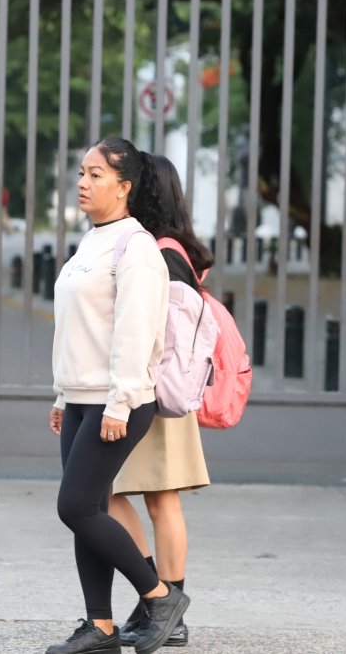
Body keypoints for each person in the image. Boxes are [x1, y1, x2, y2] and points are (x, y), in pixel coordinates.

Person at [47, 138, 188, 654]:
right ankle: (101, 627)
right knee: (93, 506)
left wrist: (121, 402)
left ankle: (158, 596)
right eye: (82, 173)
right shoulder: (92, 242)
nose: (83, 183)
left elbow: (136, 332)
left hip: (118, 402)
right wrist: (63, 395)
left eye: (96, 175)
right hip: (82, 396)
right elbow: (77, 328)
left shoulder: (138, 248)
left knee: (76, 507)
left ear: (125, 187)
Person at [109, 155, 212, 648]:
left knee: (118, 495)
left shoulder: (158, 251)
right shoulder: (178, 247)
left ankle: (164, 604)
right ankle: (161, 604)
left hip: (152, 388)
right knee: (152, 498)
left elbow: (155, 329)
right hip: (164, 388)